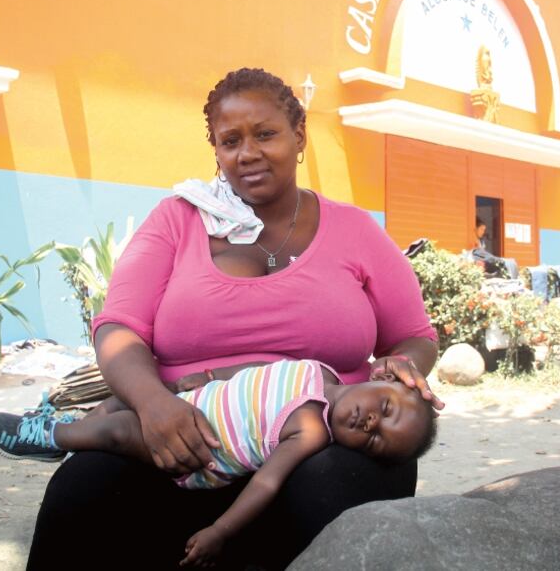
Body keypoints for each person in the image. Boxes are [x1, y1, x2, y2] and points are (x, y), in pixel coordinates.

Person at [25, 68, 443, 569]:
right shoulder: (177, 219)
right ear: (217, 151)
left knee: (345, 484)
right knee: (83, 488)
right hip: (183, 441)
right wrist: (154, 405)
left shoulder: (355, 230)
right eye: (231, 141)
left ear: (299, 136)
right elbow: (119, 329)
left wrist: (402, 365)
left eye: (265, 134)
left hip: (317, 445)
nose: (248, 153)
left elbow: (413, 336)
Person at [0, 359, 436, 566]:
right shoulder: (319, 372)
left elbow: (266, 483)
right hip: (193, 401)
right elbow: (260, 369)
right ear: (384, 376)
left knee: (121, 431)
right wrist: (208, 377)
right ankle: (73, 429)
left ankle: (47, 436)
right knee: (117, 404)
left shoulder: (310, 429)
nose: (370, 423)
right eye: (385, 407)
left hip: (195, 452)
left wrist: (220, 531)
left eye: (374, 440)